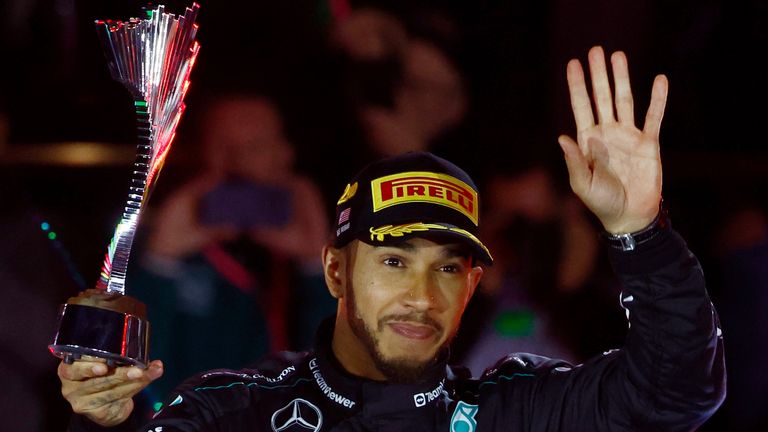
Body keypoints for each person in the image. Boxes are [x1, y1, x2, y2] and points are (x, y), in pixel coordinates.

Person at [58, 46, 725, 431]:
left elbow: (681, 393)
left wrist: (641, 232)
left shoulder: (510, 412)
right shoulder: (236, 411)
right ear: (337, 270)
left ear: (473, 284)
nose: (420, 294)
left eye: (448, 268)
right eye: (395, 259)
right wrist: (101, 419)